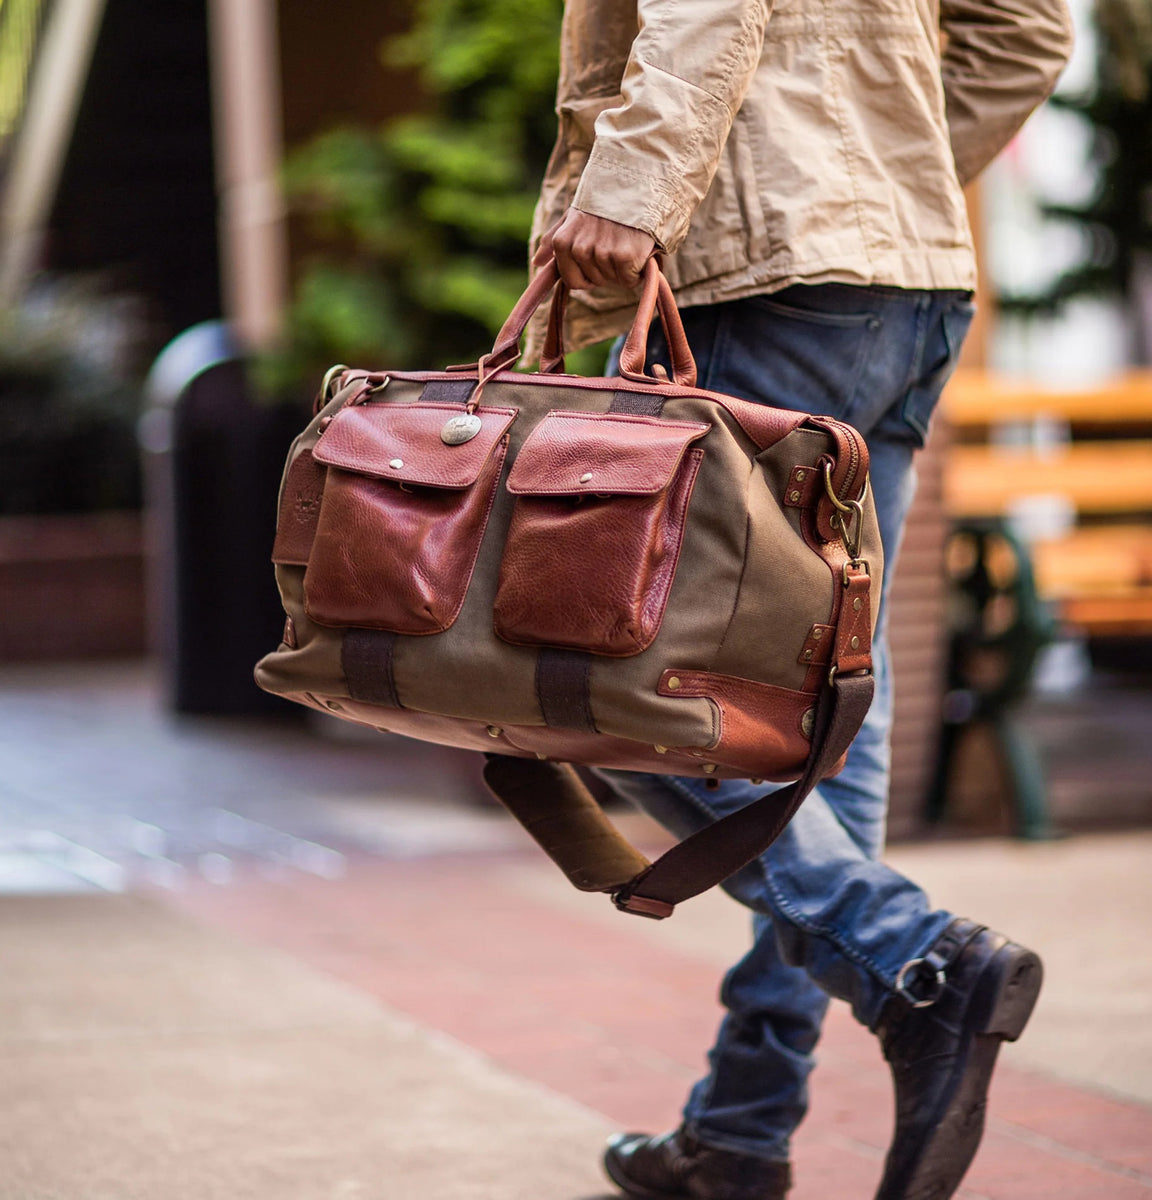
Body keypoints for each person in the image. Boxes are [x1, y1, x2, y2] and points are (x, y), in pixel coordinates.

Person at [529, 2, 1074, 1197]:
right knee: (830, 714)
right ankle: (742, 1124)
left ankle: (920, 965)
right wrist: (883, 174)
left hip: (768, 276)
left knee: (616, 680)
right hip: (907, 281)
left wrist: (629, 195)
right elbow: (1029, 30)